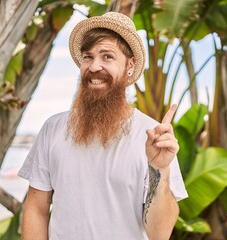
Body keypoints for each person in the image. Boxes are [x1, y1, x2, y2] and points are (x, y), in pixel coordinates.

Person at [18, 11, 188, 240]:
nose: (94, 66)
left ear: (130, 66)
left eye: (107, 57)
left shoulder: (153, 137)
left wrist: (160, 169)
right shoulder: (53, 128)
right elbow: (36, 208)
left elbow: (159, 234)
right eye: (88, 57)